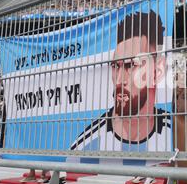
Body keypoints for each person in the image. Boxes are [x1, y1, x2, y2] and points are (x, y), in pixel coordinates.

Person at [70, 10, 171, 154]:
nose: (119, 80)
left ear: (158, 71)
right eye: (116, 66)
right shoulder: (85, 146)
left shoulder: (173, 134)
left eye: (131, 65)